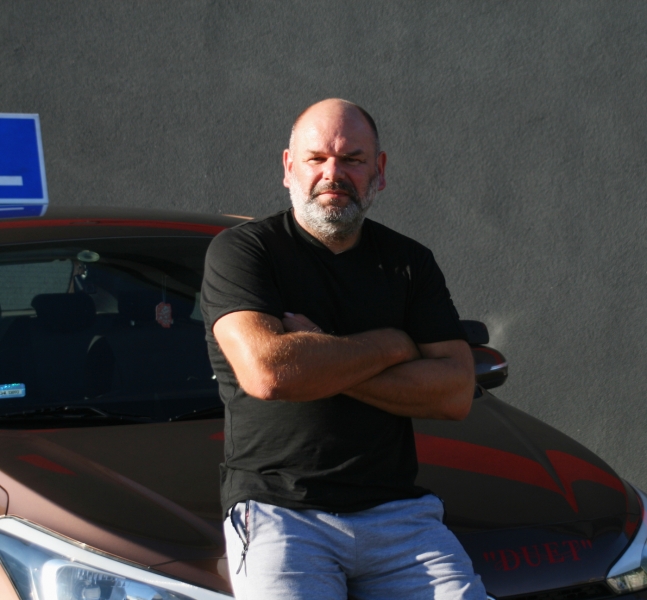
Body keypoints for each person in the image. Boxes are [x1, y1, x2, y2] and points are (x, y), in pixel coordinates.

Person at [201, 98, 486, 600]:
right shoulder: (245, 252)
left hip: (398, 514)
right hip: (281, 513)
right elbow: (269, 374)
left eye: (352, 159)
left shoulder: (408, 262)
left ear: (379, 170)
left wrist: (318, 355)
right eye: (316, 158)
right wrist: (393, 344)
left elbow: (455, 392)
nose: (333, 173)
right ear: (289, 167)